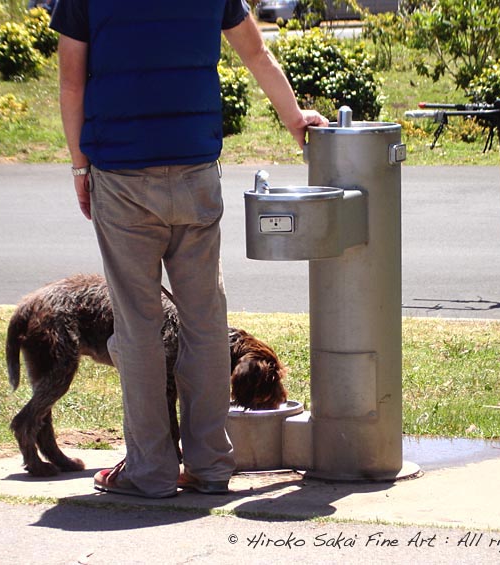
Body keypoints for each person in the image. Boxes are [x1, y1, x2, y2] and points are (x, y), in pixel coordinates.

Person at [50, 0, 327, 498]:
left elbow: (72, 82)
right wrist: (294, 118)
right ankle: (212, 466)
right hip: (197, 173)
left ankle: (150, 472)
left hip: (121, 175)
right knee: (204, 324)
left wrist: (78, 166)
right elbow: (256, 53)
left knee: (138, 327)